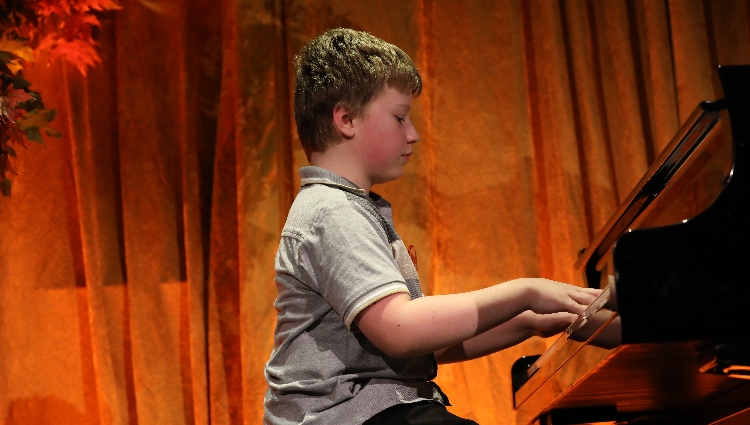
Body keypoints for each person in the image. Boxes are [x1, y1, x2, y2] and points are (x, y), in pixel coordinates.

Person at [263, 28, 601, 425]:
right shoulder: (330, 211)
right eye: (400, 117)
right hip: (346, 414)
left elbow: (421, 344)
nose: (413, 134)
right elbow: (401, 331)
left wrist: (528, 322)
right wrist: (525, 291)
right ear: (346, 118)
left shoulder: (350, 208)